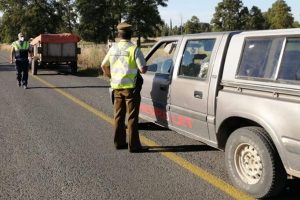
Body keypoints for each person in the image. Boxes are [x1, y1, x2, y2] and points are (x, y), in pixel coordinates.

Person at [101, 22, 148, 153]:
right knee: (132, 117)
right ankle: (134, 146)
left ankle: (119, 143)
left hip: (117, 88)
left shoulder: (113, 49)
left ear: (118, 34)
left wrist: (112, 77)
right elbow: (143, 69)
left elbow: (103, 66)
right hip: (131, 89)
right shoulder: (134, 49)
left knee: (118, 116)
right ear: (130, 34)